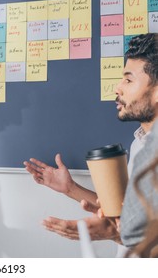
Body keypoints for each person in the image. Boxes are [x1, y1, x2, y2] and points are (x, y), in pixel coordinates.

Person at [23, 33, 158, 247]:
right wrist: (70, 188)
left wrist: (114, 233)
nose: (118, 88)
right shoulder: (141, 142)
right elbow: (126, 216)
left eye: (128, 80)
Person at [120, 120, 158, 256]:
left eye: (121, 95)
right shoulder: (137, 143)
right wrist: (70, 188)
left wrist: (114, 234)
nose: (117, 97)